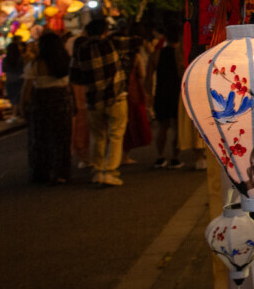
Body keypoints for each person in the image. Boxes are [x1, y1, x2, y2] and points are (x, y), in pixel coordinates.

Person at [69, 18, 128, 187]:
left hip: (93, 99)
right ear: (104, 31)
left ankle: (98, 171)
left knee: (98, 136)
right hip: (115, 96)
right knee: (116, 135)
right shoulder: (112, 44)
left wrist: (91, 80)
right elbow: (134, 42)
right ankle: (110, 172)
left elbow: (74, 77)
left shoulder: (80, 50)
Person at [24, 33, 72, 184]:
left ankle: (42, 173)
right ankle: (60, 173)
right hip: (61, 100)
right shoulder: (66, 61)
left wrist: (23, 106)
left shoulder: (36, 64)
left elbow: (27, 88)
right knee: (61, 137)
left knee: (41, 138)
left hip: (41, 102)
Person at [117, 24, 152, 163]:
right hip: (133, 91)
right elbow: (141, 74)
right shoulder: (134, 56)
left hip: (120, 91)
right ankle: (124, 155)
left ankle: (118, 155)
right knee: (130, 123)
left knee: (120, 125)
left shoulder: (116, 55)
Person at [150, 24, 184, 169]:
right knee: (176, 126)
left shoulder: (157, 54)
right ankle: (175, 158)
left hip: (160, 92)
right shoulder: (180, 54)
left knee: (161, 126)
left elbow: (147, 75)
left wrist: (148, 94)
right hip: (175, 92)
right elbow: (181, 73)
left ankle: (160, 157)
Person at [0, 40, 24, 123]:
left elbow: (4, 70)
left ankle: (14, 114)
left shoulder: (5, 60)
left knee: (13, 97)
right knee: (19, 96)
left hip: (10, 79)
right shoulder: (21, 58)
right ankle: (17, 114)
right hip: (20, 79)